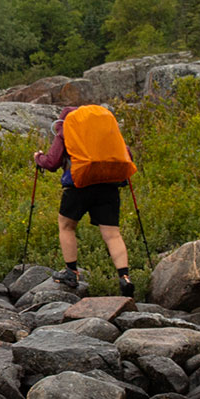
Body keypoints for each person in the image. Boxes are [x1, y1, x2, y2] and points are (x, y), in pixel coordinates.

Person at [32, 107, 135, 296]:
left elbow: (52, 162)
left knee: (66, 226)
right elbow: (126, 154)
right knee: (112, 235)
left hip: (78, 186)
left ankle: (71, 272)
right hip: (108, 187)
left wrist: (38, 158)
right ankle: (125, 277)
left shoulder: (66, 129)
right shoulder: (104, 130)